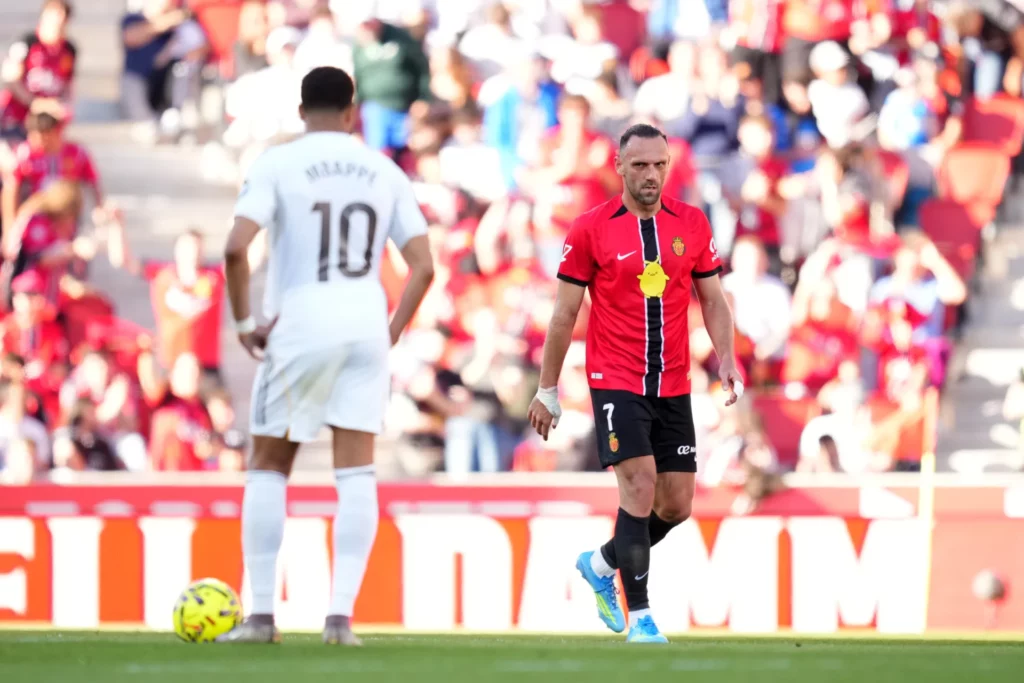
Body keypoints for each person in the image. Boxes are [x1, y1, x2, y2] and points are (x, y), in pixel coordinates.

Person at [218, 66, 434, 645]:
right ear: (352, 111)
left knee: (268, 464)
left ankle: (261, 616)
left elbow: (236, 248)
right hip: (365, 319)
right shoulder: (382, 169)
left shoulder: (277, 162)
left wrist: (243, 322)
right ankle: (340, 619)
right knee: (355, 469)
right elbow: (424, 265)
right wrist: (390, 331)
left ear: (300, 111)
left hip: (303, 316)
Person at [526, 123, 740, 643]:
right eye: (640, 165)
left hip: (674, 381)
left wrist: (727, 359)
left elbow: (712, 299)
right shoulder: (590, 229)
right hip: (615, 378)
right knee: (639, 485)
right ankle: (641, 616)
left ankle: (601, 563)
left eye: (659, 165)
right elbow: (563, 314)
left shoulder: (691, 222)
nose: (651, 175)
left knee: (676, 505)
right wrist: (547, 389)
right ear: (619, 167)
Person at [0, 0, 76, 135]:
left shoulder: (68, 50)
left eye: (62, 18)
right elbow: (10, 79)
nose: (57, 23)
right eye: (54, 16)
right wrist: (35, 103)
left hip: (45, 126)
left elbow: (68, 86)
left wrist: (62, 108)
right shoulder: (26, 43)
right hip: (17, 120)